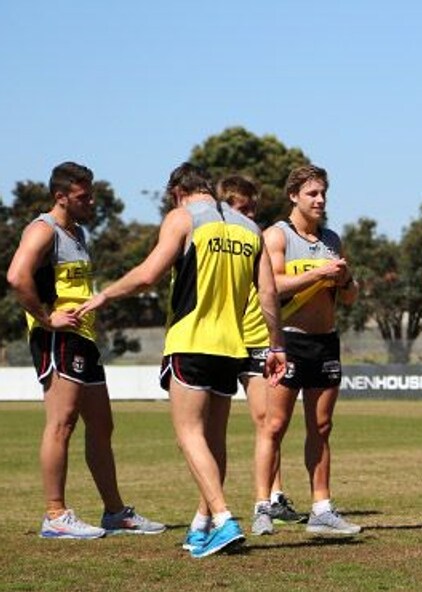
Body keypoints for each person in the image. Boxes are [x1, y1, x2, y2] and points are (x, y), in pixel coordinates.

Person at [76, 163, 286, 558]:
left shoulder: (183, 217)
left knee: (189, 435)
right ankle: (201, 525)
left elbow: (148, 275)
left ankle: (223, 519)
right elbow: (268, 293)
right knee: (214, 439)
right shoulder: (250, 227)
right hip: (233, 347)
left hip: (190, 342)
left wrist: (104, 295)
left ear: (176, 193)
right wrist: (277, 346)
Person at [6, 162, 166, 540]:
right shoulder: (43, 230)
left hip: (84, 338)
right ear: (60, 196)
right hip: (57, 338)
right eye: (83, 196)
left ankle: (114, 513)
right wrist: (46, 319)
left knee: (102, 425)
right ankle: (55, 515)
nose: (91, 201)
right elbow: (16, 275)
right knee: (61, 423)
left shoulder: (77, 232)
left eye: (91, 195)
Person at [252, 164, 362, 537]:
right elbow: (271, 286)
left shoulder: (332, 239)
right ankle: (263, 506)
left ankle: (322, 509)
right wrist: (317, 274)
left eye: (323, 193)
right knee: (274, 426)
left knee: (322, 427)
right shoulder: (276, 235)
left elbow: (350, 297)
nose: (320, 200)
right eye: (312, 193)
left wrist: (345, 279)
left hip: (325, 342)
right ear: (293, 196)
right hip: (289, 341)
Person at [217, 175, 306, 528]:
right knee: (211, 428)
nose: (251, 214)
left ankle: (273, 496)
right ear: (225, 207)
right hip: (223, 340)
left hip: (257, 339)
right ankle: (212, 509)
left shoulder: (257, 239)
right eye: (244, 208)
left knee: (267, 421)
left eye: (254, 208)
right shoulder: (216, 241)